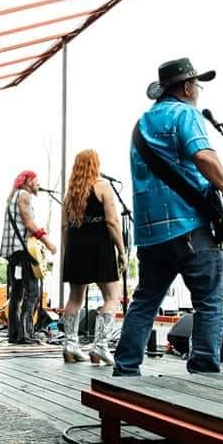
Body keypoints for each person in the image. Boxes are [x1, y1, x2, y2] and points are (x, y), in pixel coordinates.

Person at [114, 58, 223, 376]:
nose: (197, 91)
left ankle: (125, 369)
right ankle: (203, 373)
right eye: (196, 85)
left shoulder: (141, 124)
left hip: (151, 235)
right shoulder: (185, 113)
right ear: (186, 87)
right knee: (210, 302)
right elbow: (203, 155)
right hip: (190, 228)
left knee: (144, 301)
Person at [60, 150, 127, 365]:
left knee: (75, 298)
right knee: (112, 297)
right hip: (99, 246)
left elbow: (64, 227)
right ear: (95, 165)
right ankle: (100, 347)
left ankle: (70, 344)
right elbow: (112, 222)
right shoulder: (103, 187)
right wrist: (122, 251)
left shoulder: (69, 193)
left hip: (76, 247)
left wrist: (69, 250)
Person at [0, 170, 56, 345]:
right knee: (32, 293)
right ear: (28, 181)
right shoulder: (24, 195)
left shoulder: (13, 196)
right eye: (36, 180)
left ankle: (14, 334)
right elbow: (29, 223)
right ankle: (26, 334)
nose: (38, 184)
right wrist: (48, 243)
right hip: (23, 252)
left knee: (16, 293)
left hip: (13, 253)